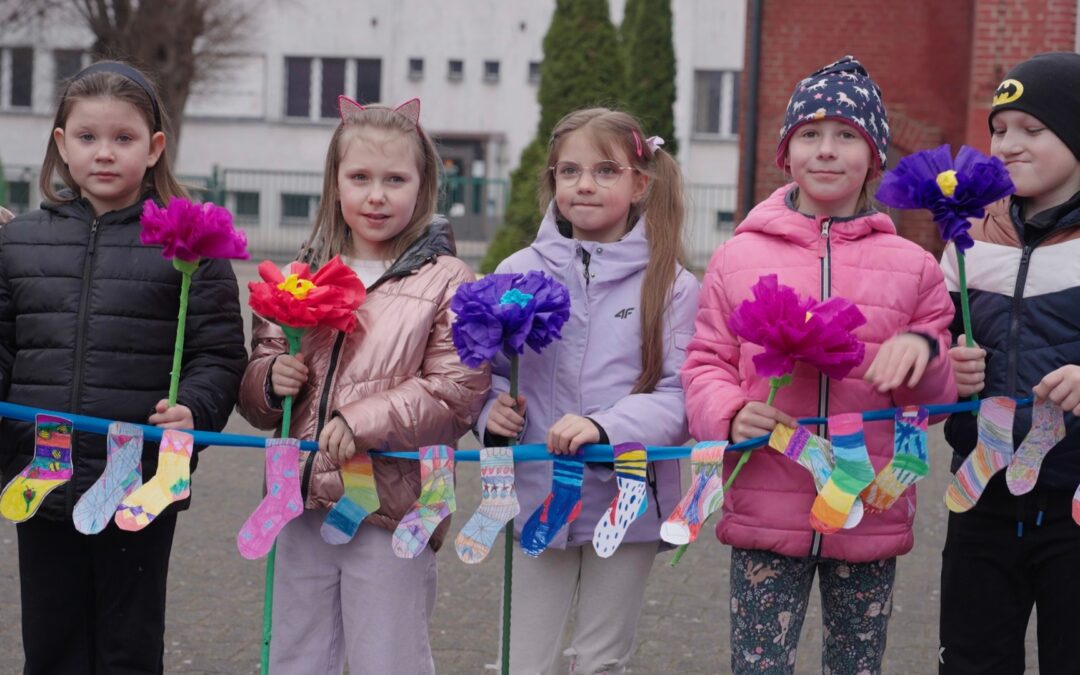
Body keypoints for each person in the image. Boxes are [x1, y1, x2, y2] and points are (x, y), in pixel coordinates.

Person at [681, 56, 957, 673]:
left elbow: (933, 405)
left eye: (847, 136)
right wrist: (726, 413)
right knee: (758, 664)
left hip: (869, 510)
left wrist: (926, 353)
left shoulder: (914, 265)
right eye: (810, 134)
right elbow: (705, 362)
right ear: (786, 153)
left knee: (857, 664)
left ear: (873, 155)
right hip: (765, 505)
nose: (826, 151)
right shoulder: (736, 256)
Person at [0, 60, 246, 674]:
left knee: (127, 648)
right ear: (61, 144)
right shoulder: (19, 243)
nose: (103, 154)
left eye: (124, 138)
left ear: (155, 147)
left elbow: (217, 354)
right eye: (87, 138)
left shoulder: (190, 247)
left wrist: (196, 406)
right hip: (41, 479)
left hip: (137, 482)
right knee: (51, 646)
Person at [237, 96, 488, 675]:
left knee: (387, 656)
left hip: (393, 509)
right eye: (360, 178)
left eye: (395, 179)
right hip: (299, 503)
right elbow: (256, 386)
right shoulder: (299, 274)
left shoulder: (448, 280)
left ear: (422, 187)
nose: (376, 195)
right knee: (296, 654)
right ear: (335, 183)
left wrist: (360, 421)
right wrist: (270, 382)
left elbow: (455, 394)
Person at [478, 107, 699, 674]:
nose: (584, 184)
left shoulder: (671, 285)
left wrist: (606, 427)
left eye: (605, 170)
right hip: (536, 499)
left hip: (624, 510)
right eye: (569, 170)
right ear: (551, 180)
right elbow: (484, 370)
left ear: (639, 182)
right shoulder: (516, 271)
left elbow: (680, 397)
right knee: (524, 662)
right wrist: (488, 412)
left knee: (601, 662)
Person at [939, 51, 1080, 674]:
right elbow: (932, 335)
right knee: (972, 662)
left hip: (1074, 503)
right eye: (999, 128)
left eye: (1032, 129)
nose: (1007, 144)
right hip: (982, 497)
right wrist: (947, 364)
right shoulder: (969, 235)